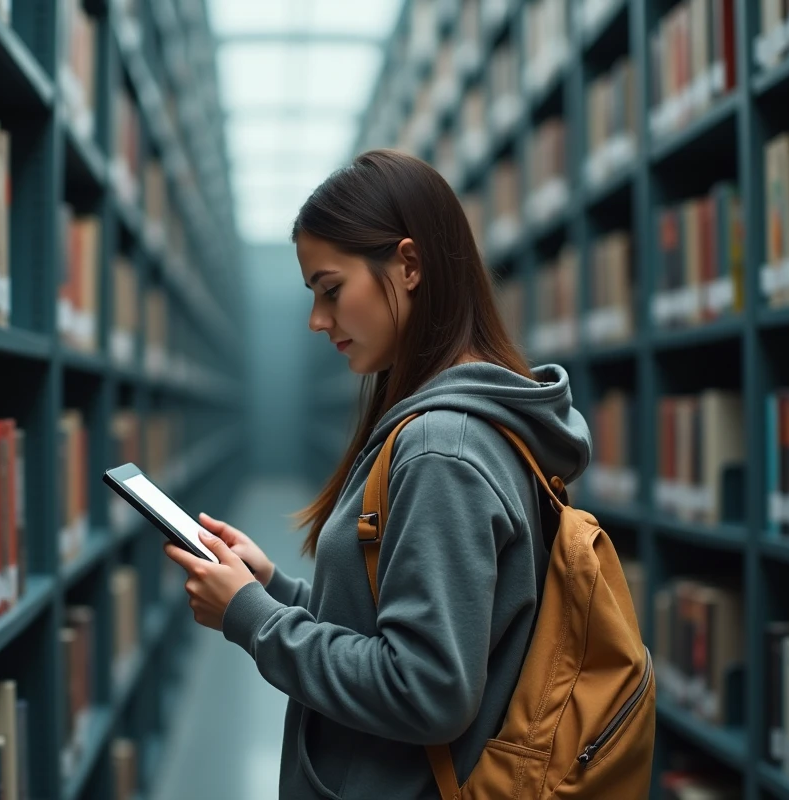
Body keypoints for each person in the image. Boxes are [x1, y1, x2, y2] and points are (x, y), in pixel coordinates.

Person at [164, 149, 592, 800]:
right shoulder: (460, 427)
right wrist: (274, 589)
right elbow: (406, 624)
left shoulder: (438, 451)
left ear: (409, 265)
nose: (317, 320)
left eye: (331, 290)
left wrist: (252, 620)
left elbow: (426, 688)